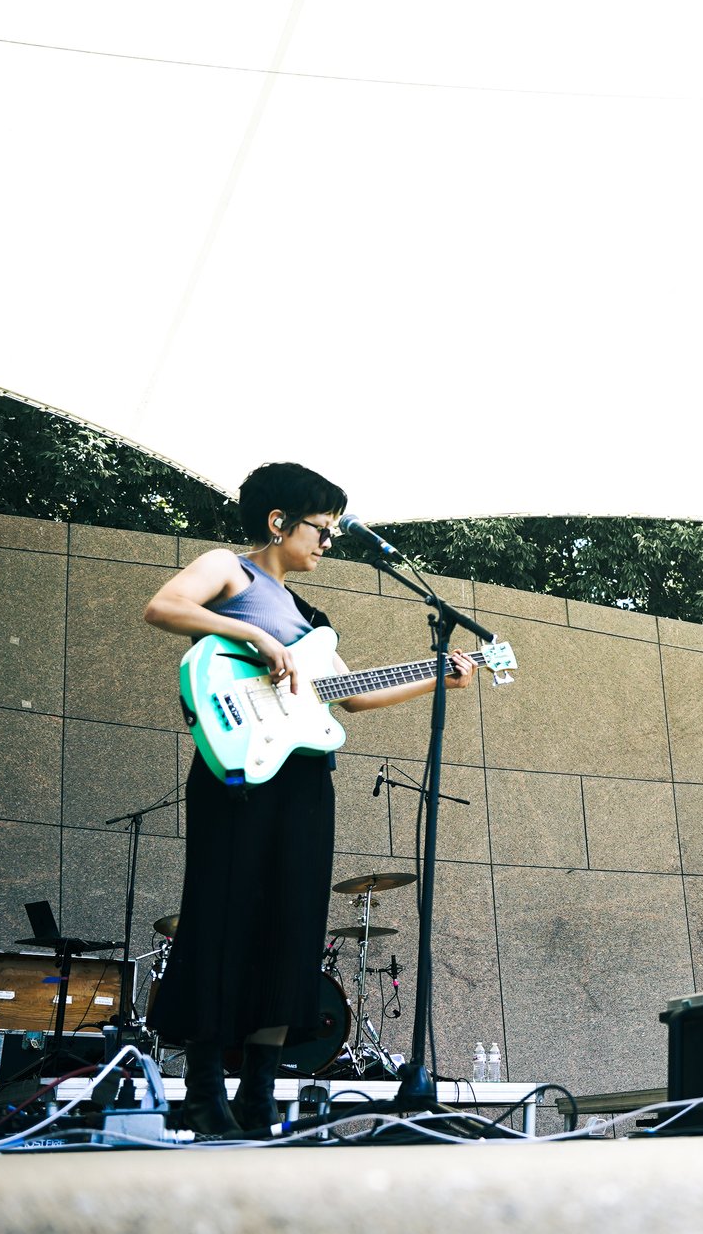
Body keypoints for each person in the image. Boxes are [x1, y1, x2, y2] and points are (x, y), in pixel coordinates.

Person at [141, 462, 472, 1134]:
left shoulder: (313, 620)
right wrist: (256, 635)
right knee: (222, 914)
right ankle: (203, 1089)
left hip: (303, 780)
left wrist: (440, 676)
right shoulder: (229, 569)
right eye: (322, 527)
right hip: (236, 771)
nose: (329, 540)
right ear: (278, 521)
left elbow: (353, 696)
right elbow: (163, 607)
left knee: (291, 926)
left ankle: (258, 1093)